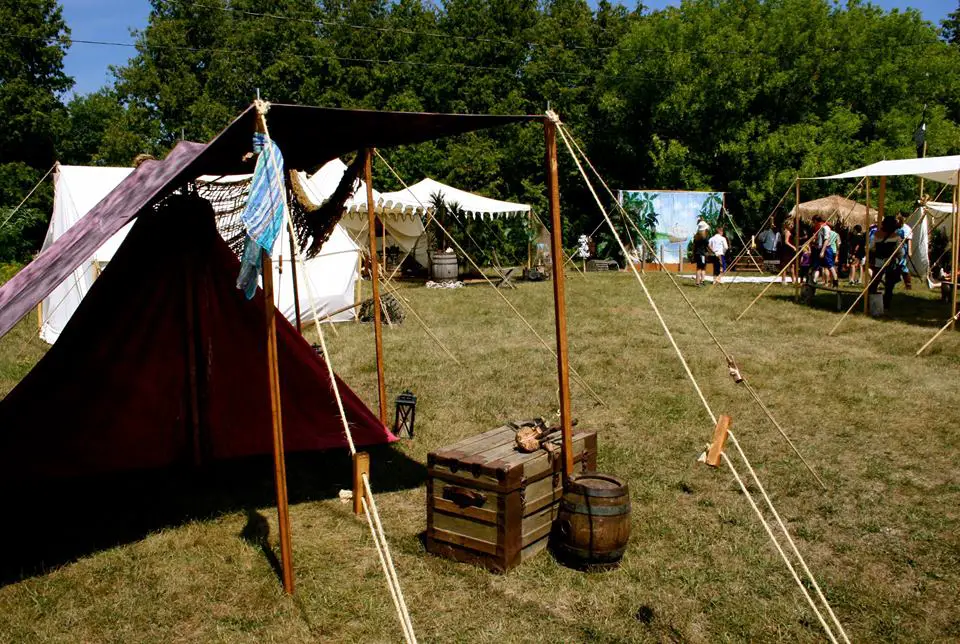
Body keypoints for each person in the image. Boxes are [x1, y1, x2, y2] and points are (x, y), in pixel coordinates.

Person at [869, 215, 904, 310]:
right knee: (889, 285)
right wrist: (900, 260)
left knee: (875, 282)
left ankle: (871, 302)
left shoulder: (877, 234)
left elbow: (871, 248)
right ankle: (886, 304)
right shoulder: (896, 236)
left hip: (878, 260)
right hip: (890, 262)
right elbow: (899, 252)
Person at [897, 213, 913, 290]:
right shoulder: (895, 227)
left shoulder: (906, 228)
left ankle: (908, 284)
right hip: (894, 248)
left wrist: (909, 251)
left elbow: (909, 239)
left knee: (902, 265)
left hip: (902, 248)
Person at [780, 219, 797, 285]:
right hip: (787, 250)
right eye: (790, 224)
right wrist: (793, 247)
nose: (792, 226)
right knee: (786, 265)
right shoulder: (787, 232)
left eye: (792, 224)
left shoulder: (787, 231)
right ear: (787, 225)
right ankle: (783, 280)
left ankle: (793, 280)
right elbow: (786, 242)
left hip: (789, 250)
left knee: (792, 265)